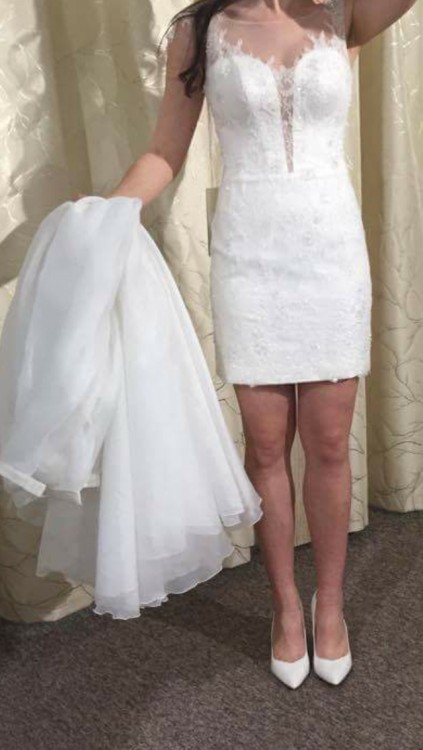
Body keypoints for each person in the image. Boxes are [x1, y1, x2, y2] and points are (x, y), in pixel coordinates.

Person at [93, 0, 418, 687]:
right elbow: (164, 151)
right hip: (248, 256)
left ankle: (330, 606)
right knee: (265, 446)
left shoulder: (341, 12)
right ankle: (286, 609)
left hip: (330, 251)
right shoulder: (198, 32)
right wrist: (106, 215)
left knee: (329, 442)